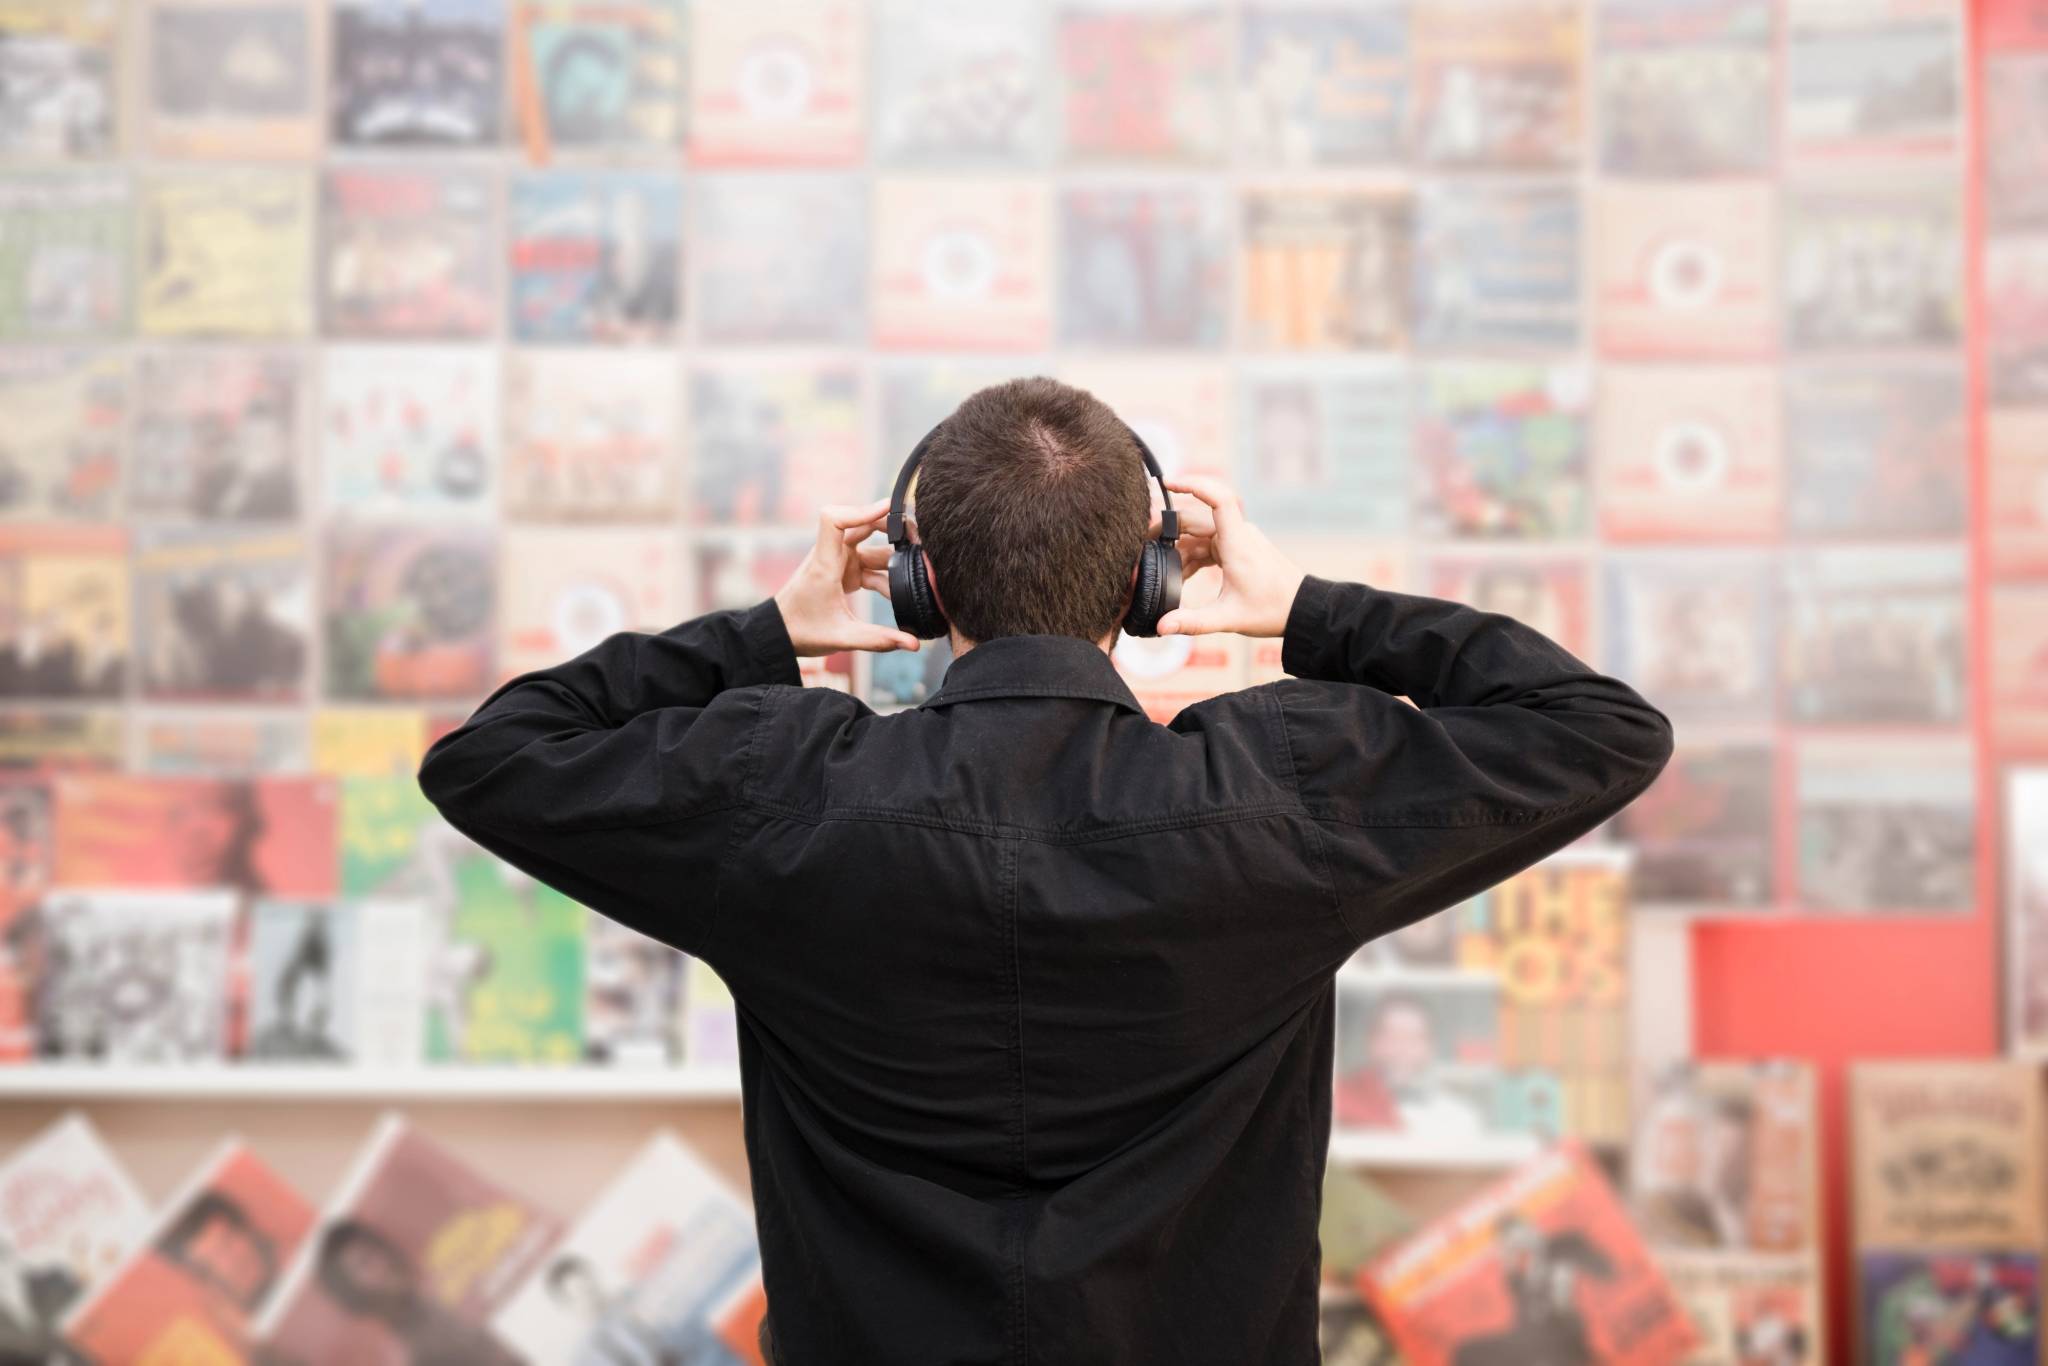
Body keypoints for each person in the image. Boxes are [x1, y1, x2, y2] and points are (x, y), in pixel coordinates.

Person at [418, 377, 1672, 1365]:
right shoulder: (1273, 800)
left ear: (916, 581)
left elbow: (490, 758)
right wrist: (1307, 610)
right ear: (1146, 579)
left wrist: (762, 633)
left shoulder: (782, 793)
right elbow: (1599, 726)